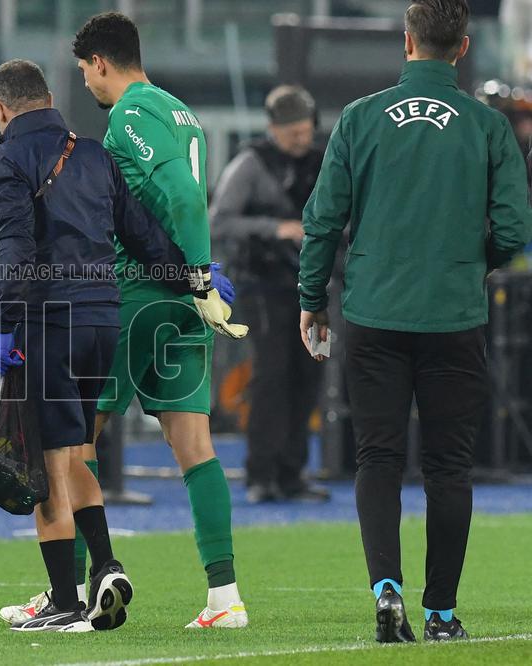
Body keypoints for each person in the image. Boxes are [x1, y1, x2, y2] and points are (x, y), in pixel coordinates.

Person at [298, 0, 532, 643]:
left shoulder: (359, 118)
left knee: (376, 456)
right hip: (453, 316)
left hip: (373, 312)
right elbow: (515, 226)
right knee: (449, 466)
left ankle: (385, 592)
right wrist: (468, 266)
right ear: (461, 48)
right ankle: (440, 612)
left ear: (407, 43)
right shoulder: (487, 127)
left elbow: (322, 220)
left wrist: (312, 297)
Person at [0, 59, 232, 632]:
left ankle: (66, 604)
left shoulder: (5, 161)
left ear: (0, 109)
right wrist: (196, 280)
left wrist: (5, 324)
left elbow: (14, 249)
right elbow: (144, 238)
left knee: (47, 466)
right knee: (74, 454)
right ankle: (107, 566)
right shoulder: (94, 154)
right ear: (48, 98)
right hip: (102, 322)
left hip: (49, 320)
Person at [70, 12, 250, 630]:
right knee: (192, 444)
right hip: (185, 303)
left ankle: (70, 592)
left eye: (86, 74)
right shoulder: (183, 111)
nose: (88, 88)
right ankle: (224, 600)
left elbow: (180, 194)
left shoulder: (132, 113)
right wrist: (200, 281)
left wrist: (196, 270)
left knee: (75, 436)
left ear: (99, 63)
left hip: (140, 293)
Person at [210, 86, 330, 504]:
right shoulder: (251, 164)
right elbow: (219, 223)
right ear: (273, 129)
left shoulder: (324, 161)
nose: (300, 140)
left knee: (310, 374)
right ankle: (261, 473)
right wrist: (275, 228)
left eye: (304, 131)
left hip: (316, 291)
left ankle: (292, 472)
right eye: (291, 132)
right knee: (271, 374)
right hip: (264, 286)